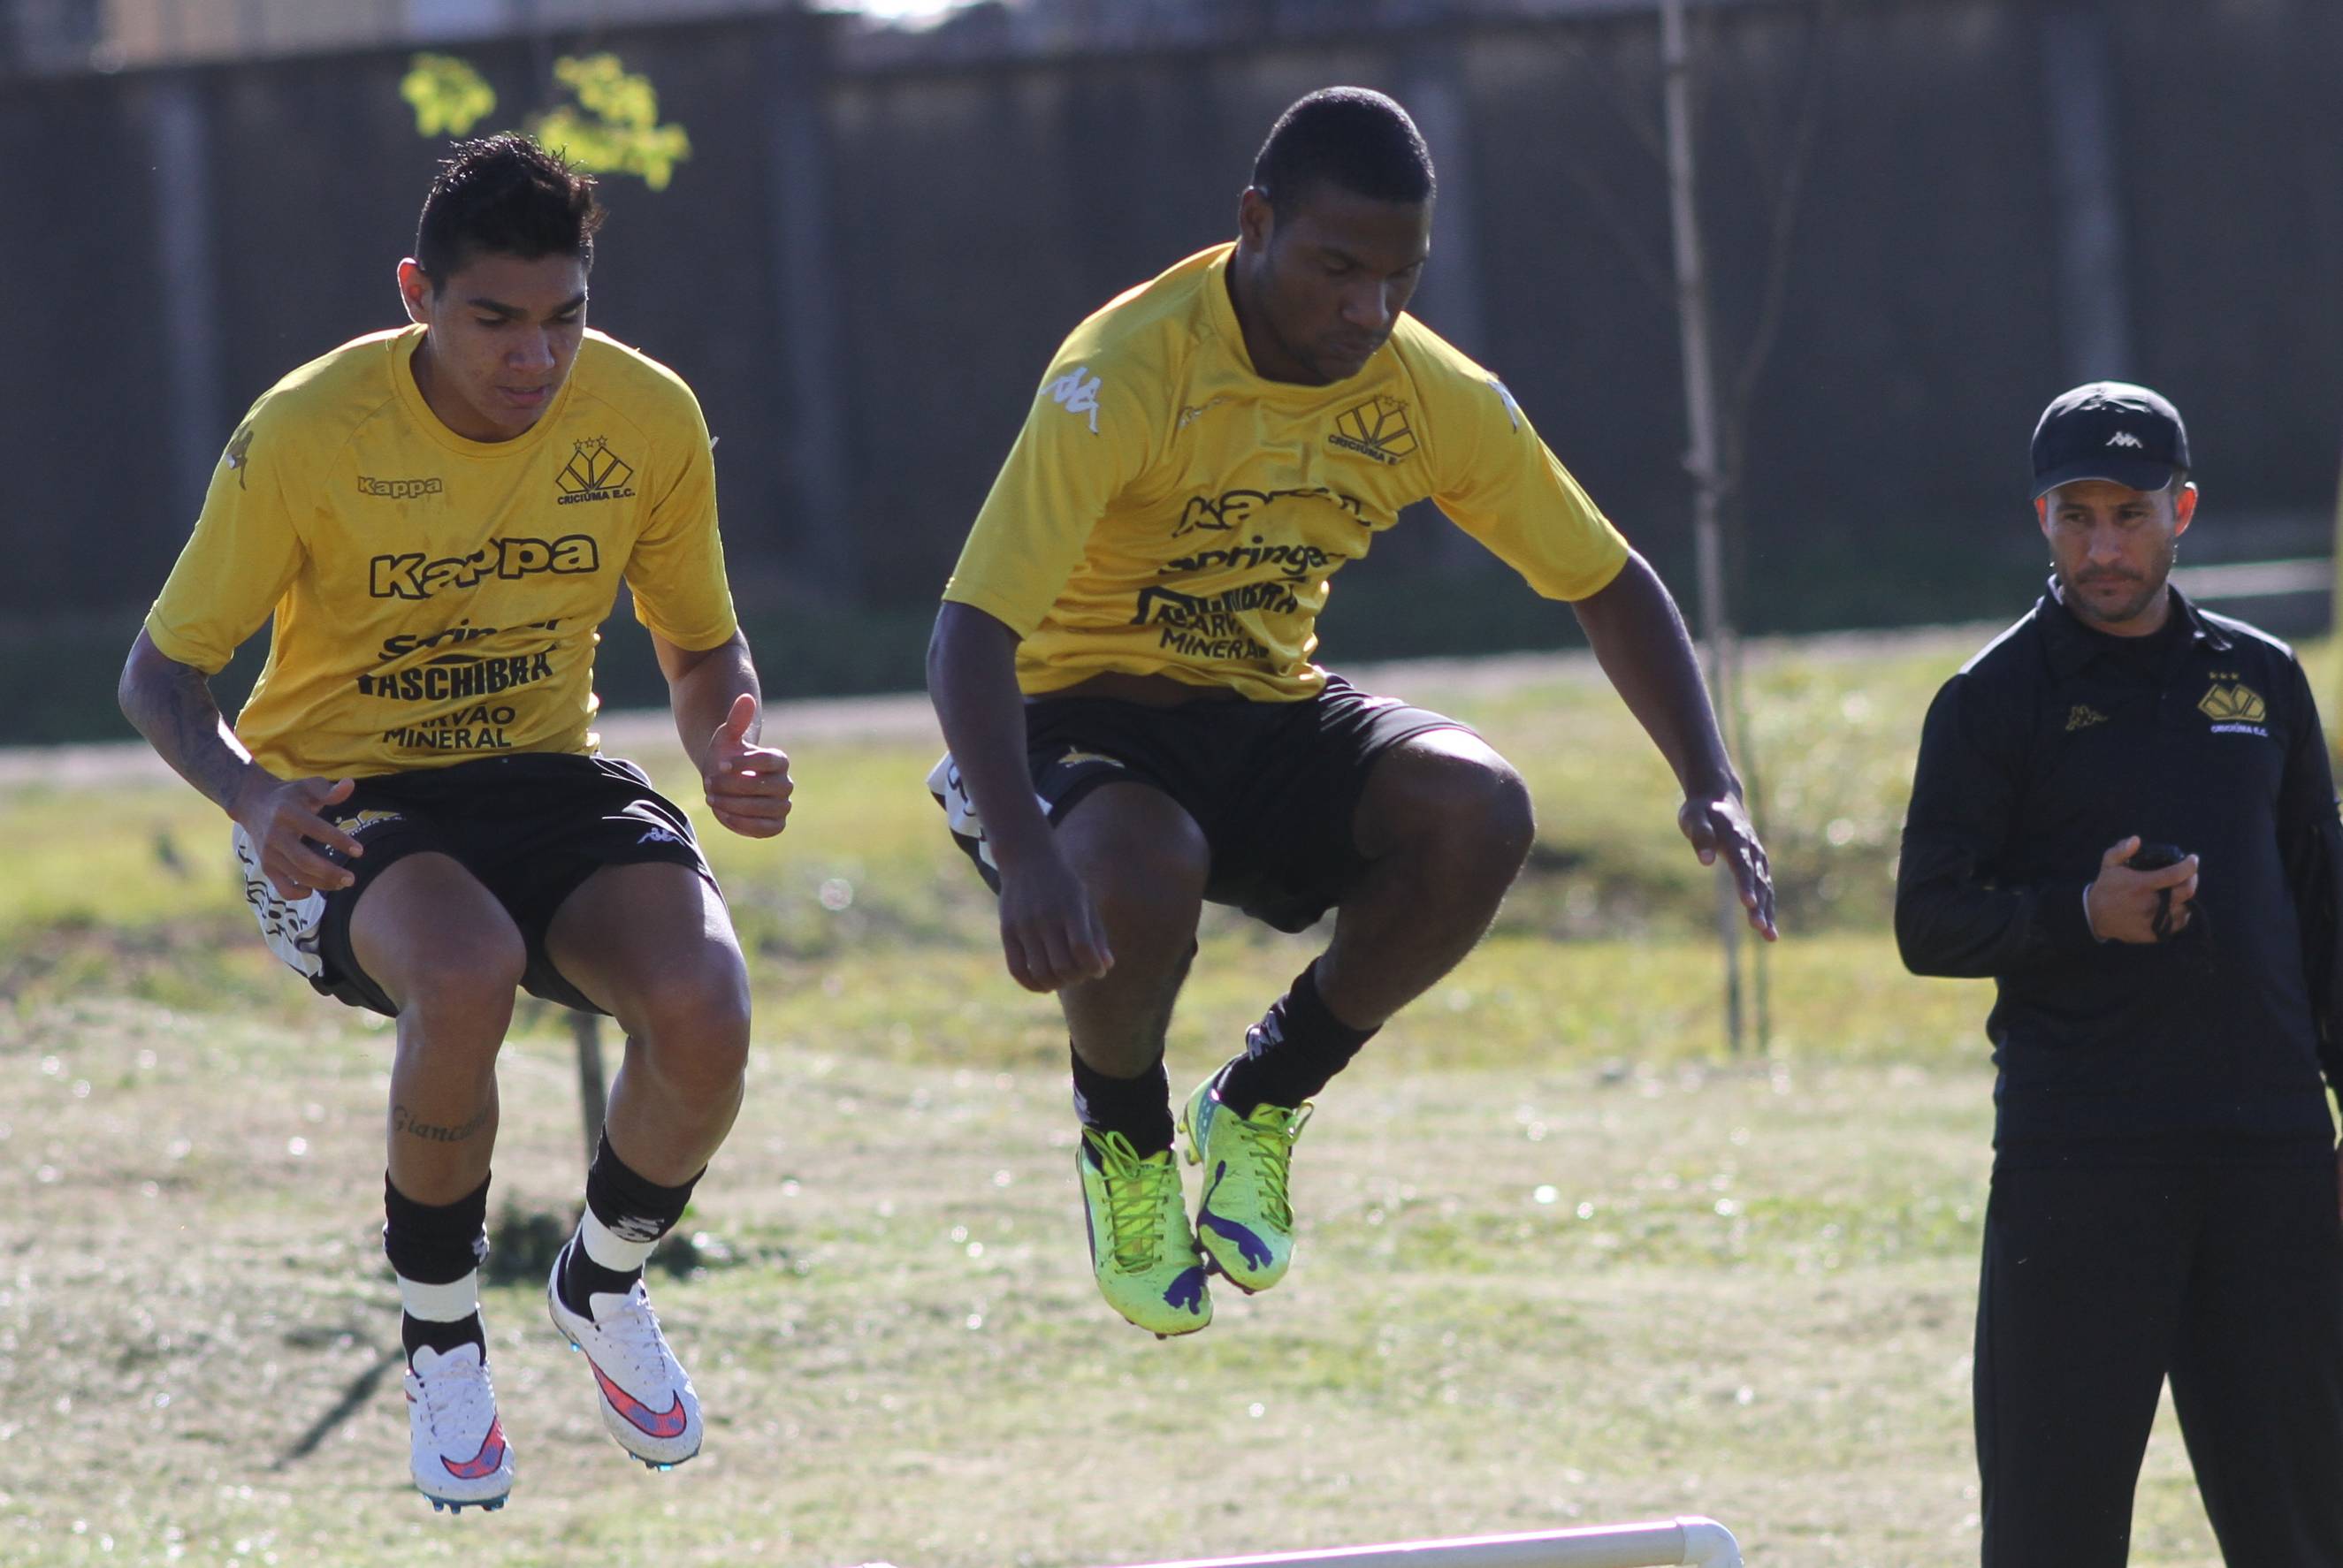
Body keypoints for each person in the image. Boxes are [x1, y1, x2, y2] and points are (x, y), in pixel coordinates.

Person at [925, 87, 1774, 1339]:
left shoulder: (1425, 393)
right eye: (1337, 269)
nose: (1369, 310)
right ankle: (1125, 1137)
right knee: (1140, 860)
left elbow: (1606, 579)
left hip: (1265, 710)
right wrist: (1026, 852)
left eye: (1399, 276)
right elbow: (969, 633)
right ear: (1256, 222)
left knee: (1480, 809)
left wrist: (1708, 777)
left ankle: (1261, 1097)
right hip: (1079, 722)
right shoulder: (1123, 372)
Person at [118, 134, 791, 1512]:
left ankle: (601, 1281)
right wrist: (252, 796)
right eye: (495, 320)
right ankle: (439, 1333)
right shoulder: (311, 429)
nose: (535, 358)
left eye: (564, 318)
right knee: (466, 963)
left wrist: (724, 737)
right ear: (418, 293)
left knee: (706, 1004)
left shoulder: (646, 415)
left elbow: (700, 644)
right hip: (340, 799)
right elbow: (159, 675)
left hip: (542, 775)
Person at [1895, 381, 2343, 1565]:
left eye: (2129, 515)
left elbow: (2323, 909)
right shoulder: (1991, 699)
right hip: (2082, 1154)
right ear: (2040, 518)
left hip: (2269, 1152)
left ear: (2180, 510)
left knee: (2304, 1524)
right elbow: (1927, 923)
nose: (2102, 549)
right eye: (2076, 516)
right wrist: (2077, 914)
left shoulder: (2264, 678)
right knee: (2053, 1528)